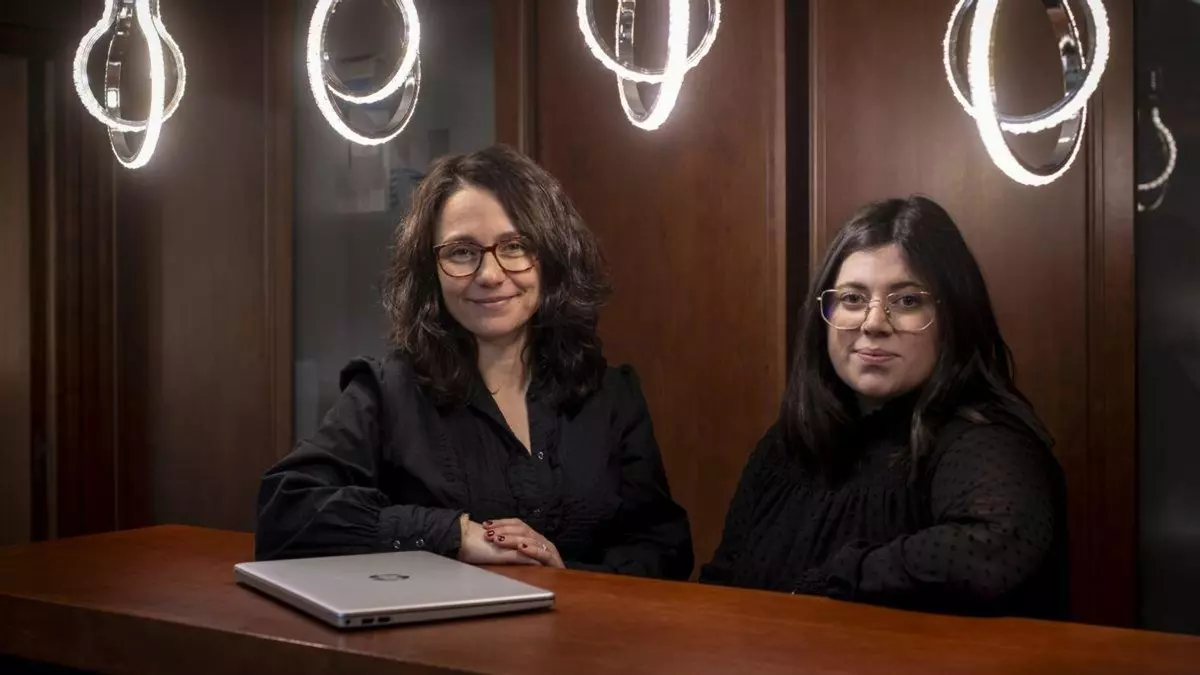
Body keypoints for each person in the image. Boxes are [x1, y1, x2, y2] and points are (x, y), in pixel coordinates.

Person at [255, 145, 693, 580]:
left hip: (587, 626)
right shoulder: (386, 392)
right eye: (462, 251)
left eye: (515, 246)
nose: (489, 275)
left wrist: (565, 573)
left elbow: (665, 547)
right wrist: (455, 535)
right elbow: (286, 512)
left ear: (551, 258)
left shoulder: (611, 395)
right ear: (431, 270)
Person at [700, 196, 1067, 618]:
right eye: (853, 299)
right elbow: (723, 580)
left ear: (955, 317)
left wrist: (841, 578)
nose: (873, 323)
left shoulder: (987, 439)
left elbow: (998, 548)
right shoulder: (787, 443)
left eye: (907, 301)